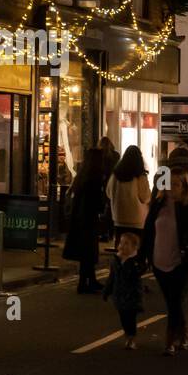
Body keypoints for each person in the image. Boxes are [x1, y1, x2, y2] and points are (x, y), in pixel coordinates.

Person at [141, 167, 188, 356]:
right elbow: (148, 231)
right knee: (171, 301)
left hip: (182, 261)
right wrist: (144, 255)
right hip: (160, 259)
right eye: (169, 184)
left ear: (184, 186)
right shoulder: (158, 203)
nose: (172, 188)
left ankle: (170, 339)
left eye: (176, 184)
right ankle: (183, 332)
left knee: (175, 300)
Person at [64, 148, 107, 294]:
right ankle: (86, 282)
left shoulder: (82, 175)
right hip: (89, 219)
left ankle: (88, 281)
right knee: (89, 252)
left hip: (80, 219)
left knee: (86, 253)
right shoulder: (95, 177)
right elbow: (97, 201)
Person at [102, 231, 145, 350]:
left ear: (134, 247)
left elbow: (136, 274)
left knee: (130, 317)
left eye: (127, 243)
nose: (122, 246)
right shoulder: (116, 259)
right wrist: (107, 291)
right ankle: (128, 334)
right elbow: (112, 276)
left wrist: (129, 263)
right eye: (121, 242)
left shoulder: (136, 261)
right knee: (123, 317)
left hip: (132, 295)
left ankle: (131, 338)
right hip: (119, 294)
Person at [106, 145, 150, 248]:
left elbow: (108, 193)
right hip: (137, 220)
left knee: (121, 248)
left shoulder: (115, 175)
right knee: (135, 249)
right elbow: (145, 197)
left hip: (119, 218)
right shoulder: (140, 176)